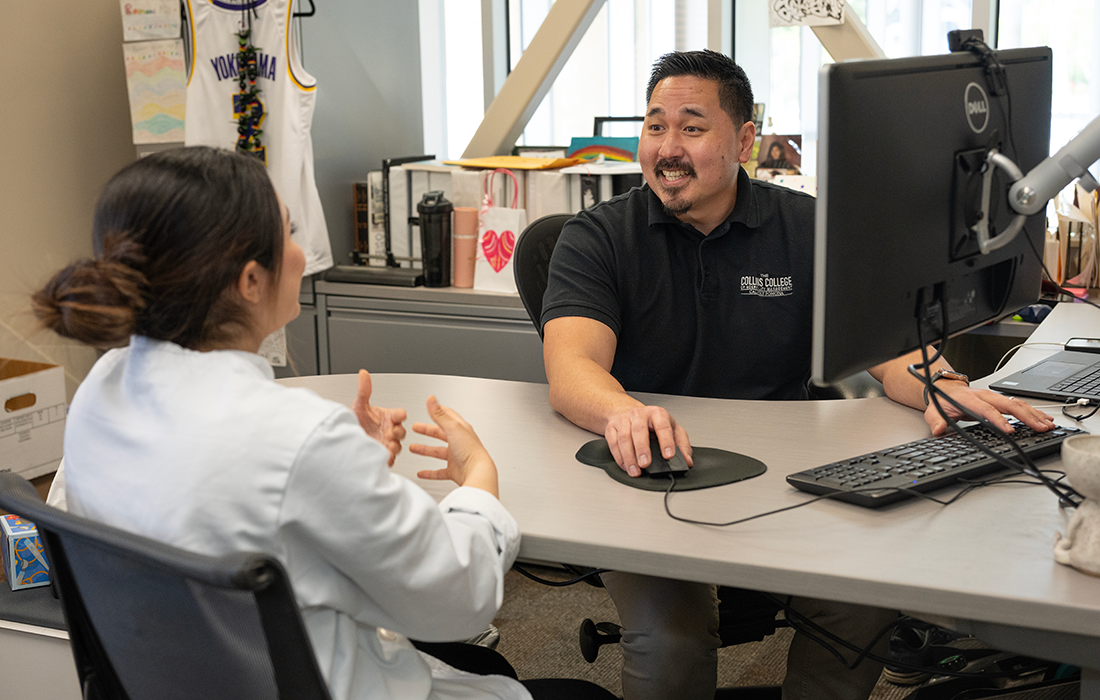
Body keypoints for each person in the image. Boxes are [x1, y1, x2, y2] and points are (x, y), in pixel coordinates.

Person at [540, 50, 1056, 700]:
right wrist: (623, 413)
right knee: (671, 638)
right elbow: (572, 368)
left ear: (745, 139)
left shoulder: (805, 230)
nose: (668, 149)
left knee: (864, 603)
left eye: (692, 128)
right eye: (655, 126)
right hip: (652, 477)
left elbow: (888, 346)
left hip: (780, 477)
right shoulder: (598, 237)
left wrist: (946, 389)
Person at [32, 147, 615, 700]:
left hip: (191, 679)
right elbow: (460, 599)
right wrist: (479, 480)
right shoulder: (296, 436)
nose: (299, 247)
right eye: (286, 231)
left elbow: (231, 500)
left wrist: (349, 469)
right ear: (250, 281)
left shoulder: (101, 391)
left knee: (485, 665)